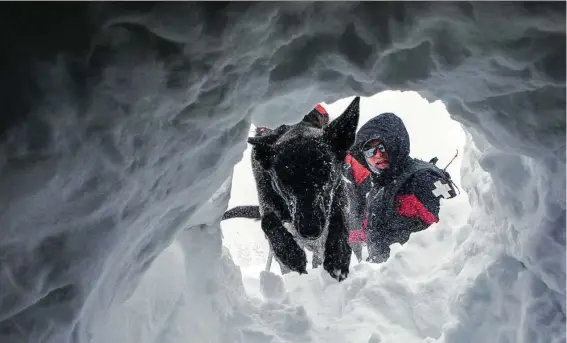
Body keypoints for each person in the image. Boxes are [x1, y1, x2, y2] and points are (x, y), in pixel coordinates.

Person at [342, 112, 458, 263]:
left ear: (395, 144)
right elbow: (379, 227)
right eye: (370, 151)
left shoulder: (422, 180)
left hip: (418, 279)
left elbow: (450, 232)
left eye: (382, 147)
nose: (377, 155)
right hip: (386, 280)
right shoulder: (380, 186)